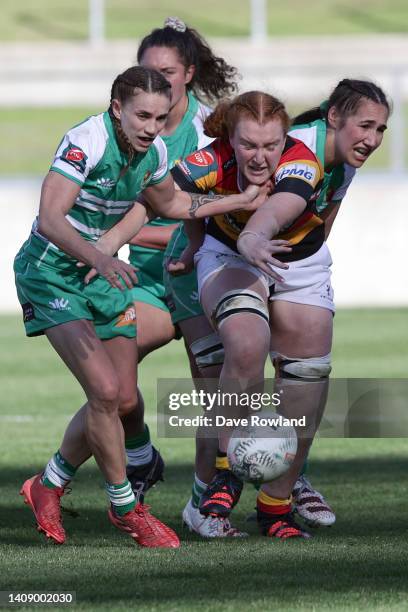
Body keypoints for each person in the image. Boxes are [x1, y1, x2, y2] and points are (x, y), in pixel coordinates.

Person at [14, 65, 261, 548]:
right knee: (105, 391)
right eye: (142, 116)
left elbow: (173, 205)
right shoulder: (87, 141)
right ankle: (127, 508)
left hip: (100, 275)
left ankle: (47, 484)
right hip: (51, 274)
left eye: (160, 117)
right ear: (117, 109)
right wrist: (100, 256)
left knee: (122, 398)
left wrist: (238, 200)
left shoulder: (156, 152)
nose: (151, 127)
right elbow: (49, 218)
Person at [170, 81, 390, 539]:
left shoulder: (343, 159)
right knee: (237, 359)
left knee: (308, 375)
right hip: (230, 252)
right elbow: (264, 209)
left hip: (293, 261)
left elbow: (321, 215)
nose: (372, 137)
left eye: (381, 129)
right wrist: (211, 241)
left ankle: (278, 502)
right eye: (364, 125)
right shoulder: (295, 149)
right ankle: (211, 492)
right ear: (333, 118)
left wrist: (303, 262)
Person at [118, 19, 242, 538]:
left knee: (210, 392)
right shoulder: (125, 129)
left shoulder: (212, 129)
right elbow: (118, 217)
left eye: (167, 73)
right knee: (116, 385)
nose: (157, 83)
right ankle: (142, 453)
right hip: (147, 281)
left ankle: (202, 502)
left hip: (197, 277)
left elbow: (211, 218)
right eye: (148, 73)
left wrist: (162, 230)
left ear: (188, 74)